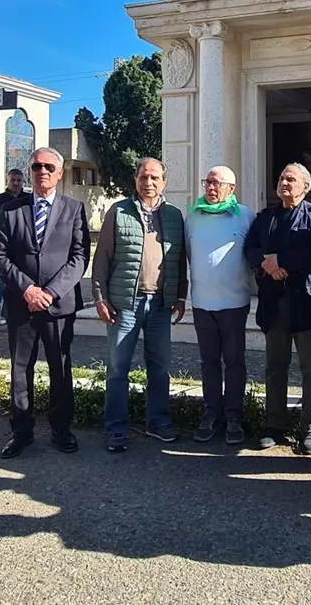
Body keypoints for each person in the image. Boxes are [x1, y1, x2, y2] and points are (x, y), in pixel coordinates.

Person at [0, 148, 90, 459]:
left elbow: (79, 257)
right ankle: (21, 432)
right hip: (21, 304)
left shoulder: (74, 209)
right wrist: (28, 290)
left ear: (60, 174)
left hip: (58, 305)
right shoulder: (11, 210)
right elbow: (0, 257)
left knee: (60, 368)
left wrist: (50, 292)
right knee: (21, 369)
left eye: (49, 167)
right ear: (30, 171)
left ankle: (61, 429)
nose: (42, 172)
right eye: (37, 166)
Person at [92, 157, 188, 452]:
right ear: (135, 180)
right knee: (118, 368)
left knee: (159, 368)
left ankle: (157, 422)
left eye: (155, 177)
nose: (149, 182)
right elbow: (102, 257)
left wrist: (180, 295)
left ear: (164, 182)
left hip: (160, 304)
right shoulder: (119, 211)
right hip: (125, 303)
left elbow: (179, 259)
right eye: (144, 177)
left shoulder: (174, 215)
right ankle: (116, 428)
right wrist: (100, 297)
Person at [247, 163, 311, 455]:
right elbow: (251, 248)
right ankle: (274, 425)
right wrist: (266, 263)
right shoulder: (265, 217)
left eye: (291, 179)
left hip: (307, 303)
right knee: (275, 367)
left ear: (305, 186)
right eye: (282, 177)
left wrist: (281, 261)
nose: (284, 182)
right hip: (274, 304)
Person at [185, 166, 255, 445]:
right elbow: (188, 254)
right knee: (209, 362)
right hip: (202, 303)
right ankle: (211, 412)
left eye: (217, 183)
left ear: (231, 188)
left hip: (234, 303)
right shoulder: (193, 216)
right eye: (208, 182)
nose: (211, 188)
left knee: (235, 362)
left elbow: (253, 253)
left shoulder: (245, 215)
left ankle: (234, 416)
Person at [0, 169, 31, 324]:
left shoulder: (28, 199)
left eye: (18, 180)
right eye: (13, 180)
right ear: (7, 181)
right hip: (4, 247)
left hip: (22, 248)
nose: (16, 183)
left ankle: (11, 314)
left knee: (18, 283)